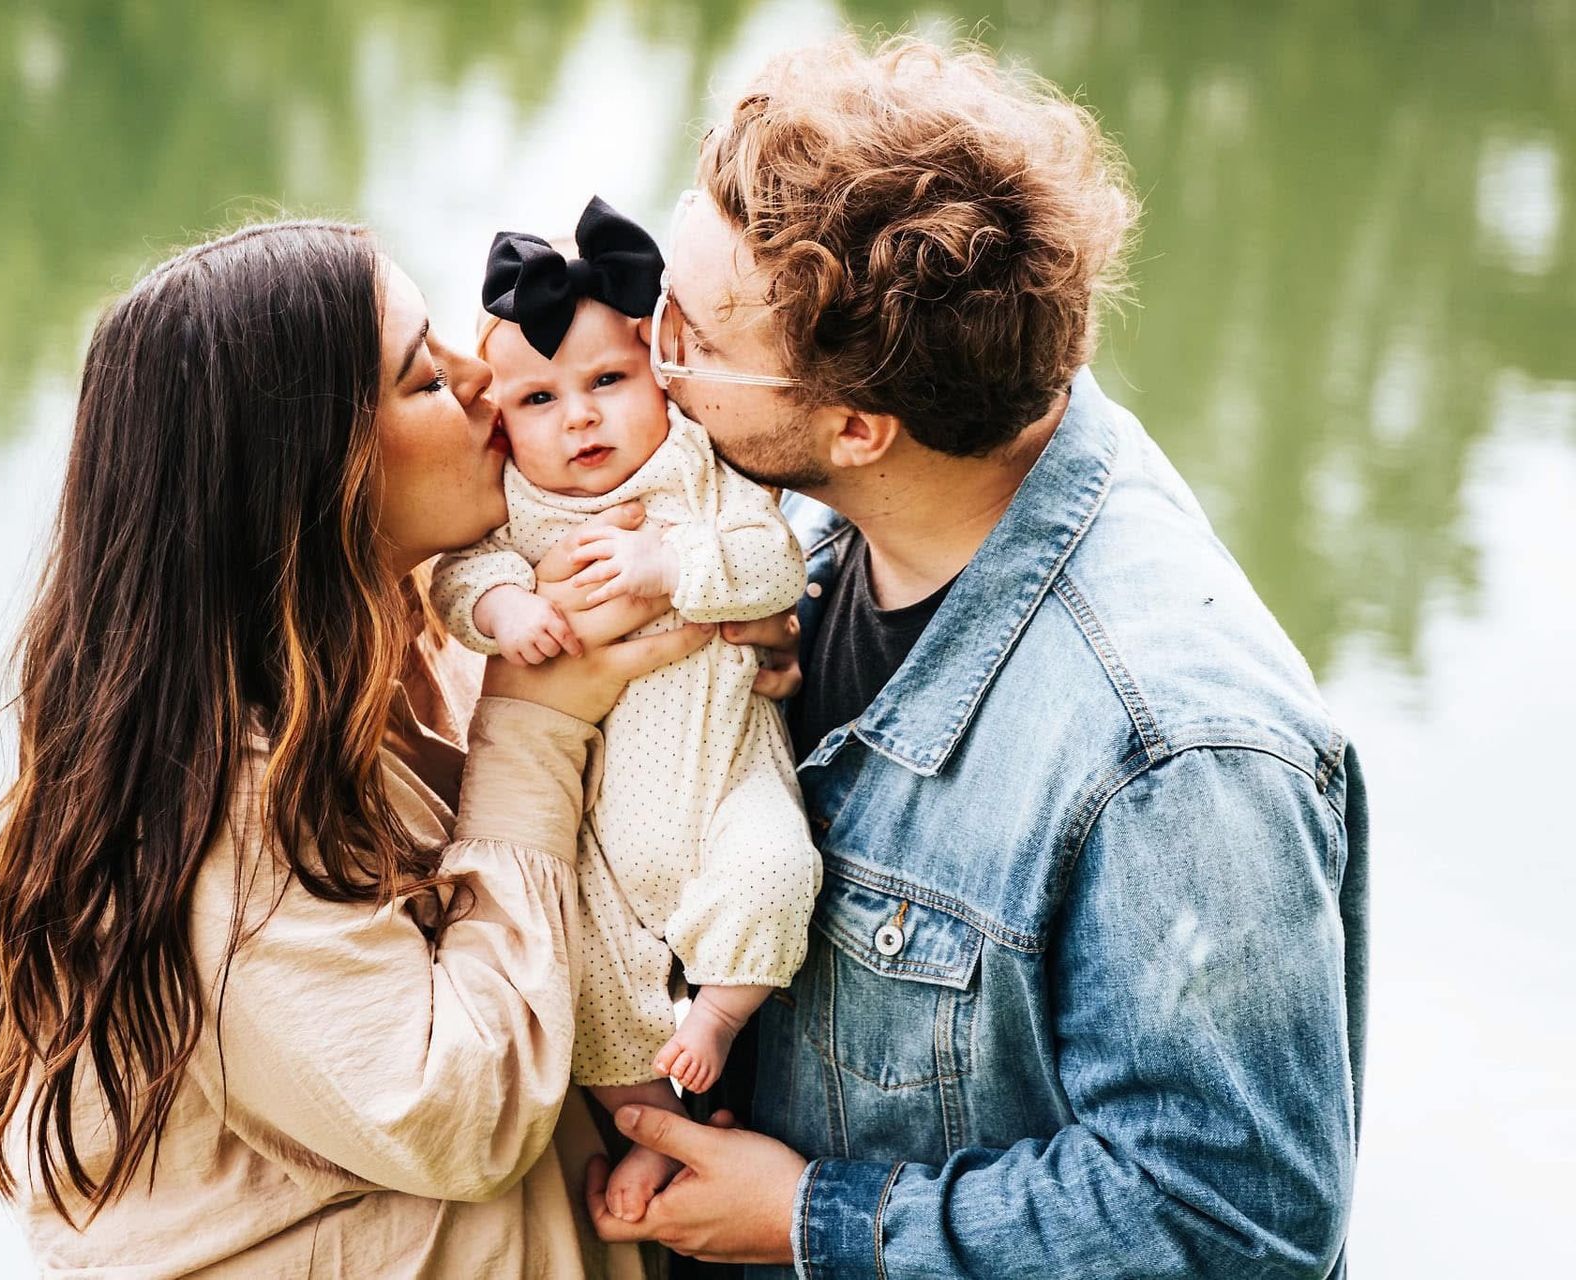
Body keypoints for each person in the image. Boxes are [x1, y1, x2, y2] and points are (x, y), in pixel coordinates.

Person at [585, 35, 1370, 1280]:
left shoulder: (1177, 751)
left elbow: (1234, 1222)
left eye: (692, 329)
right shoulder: (840, 504)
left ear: (856, 423)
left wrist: (813, 1218)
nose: (648, 343)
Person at [0, 219, 794, 1277]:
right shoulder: (210, 804)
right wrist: (535, 722)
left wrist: (720, 663)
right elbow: (460, 1113)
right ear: (304, 470)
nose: (488, 382)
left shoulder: (403, 649)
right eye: (424, 378)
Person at [430, 197, 820, 1223]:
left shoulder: (700, 470)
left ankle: (724, 1017)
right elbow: (459, 582)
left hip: (727, 768)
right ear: (502, 422)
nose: (581, 418)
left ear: (661, 372)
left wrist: (672, 560)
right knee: (587, 970)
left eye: (609, 380)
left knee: (778, 863)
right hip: (601, 821)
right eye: (540, 400)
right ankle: (648, 1132)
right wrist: (505, 604)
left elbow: (777, 559)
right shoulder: (516, 509)